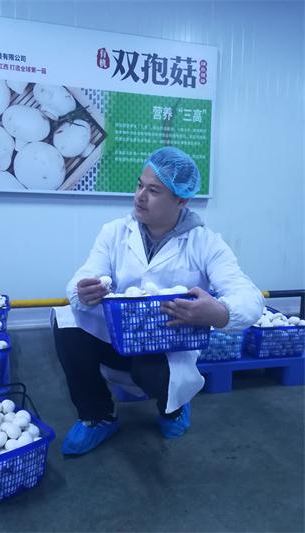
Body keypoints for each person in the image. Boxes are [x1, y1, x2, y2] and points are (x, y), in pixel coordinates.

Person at [52, 146, 264, 456]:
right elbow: (85, 275)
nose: (140, 196)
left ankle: (172, 408)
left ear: (181, 200)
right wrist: (82, 291)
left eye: (153, 191)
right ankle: (98, 415)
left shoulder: (205, 243)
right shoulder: (115, 233)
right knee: (66, 320)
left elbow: (249, 297)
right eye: (140, 185)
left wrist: (218, 312)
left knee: (154, 375)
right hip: (118, 338)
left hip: (165, 348)